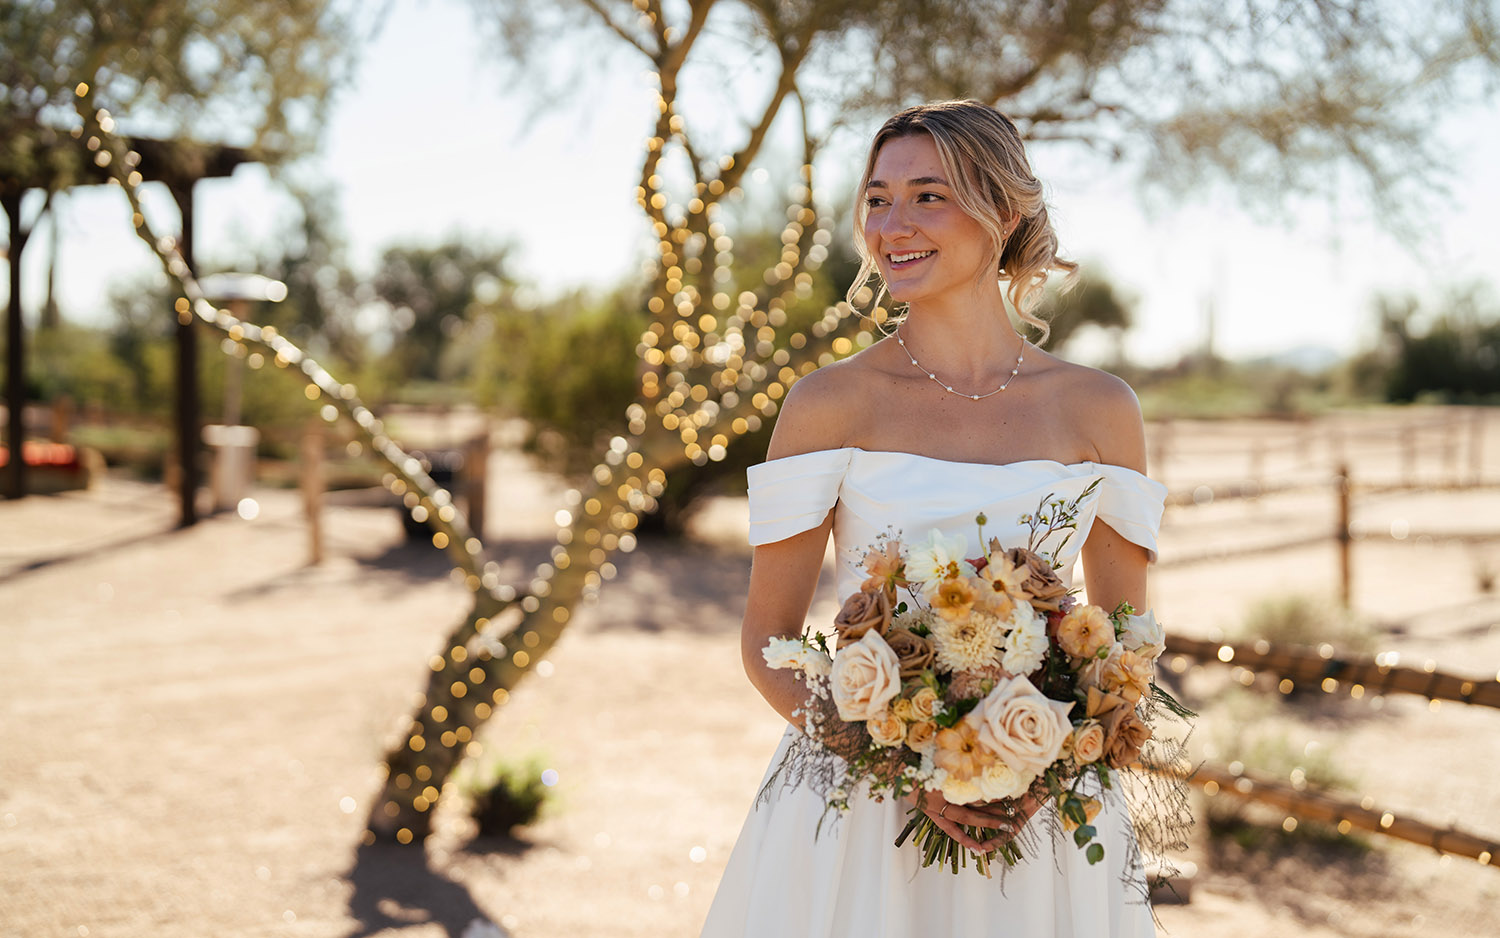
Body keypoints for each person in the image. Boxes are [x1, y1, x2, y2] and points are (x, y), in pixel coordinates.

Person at [698, 100, 1166, 937]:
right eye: (877, 199)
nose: (892, 224)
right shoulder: (829, 404)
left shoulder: (1102, 409)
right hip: (862, 817)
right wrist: (911, 768)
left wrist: (1045, 757)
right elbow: (767, 645)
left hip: (1047, 818)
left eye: (927, 196)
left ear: (1007, 212)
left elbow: (1126, 640)